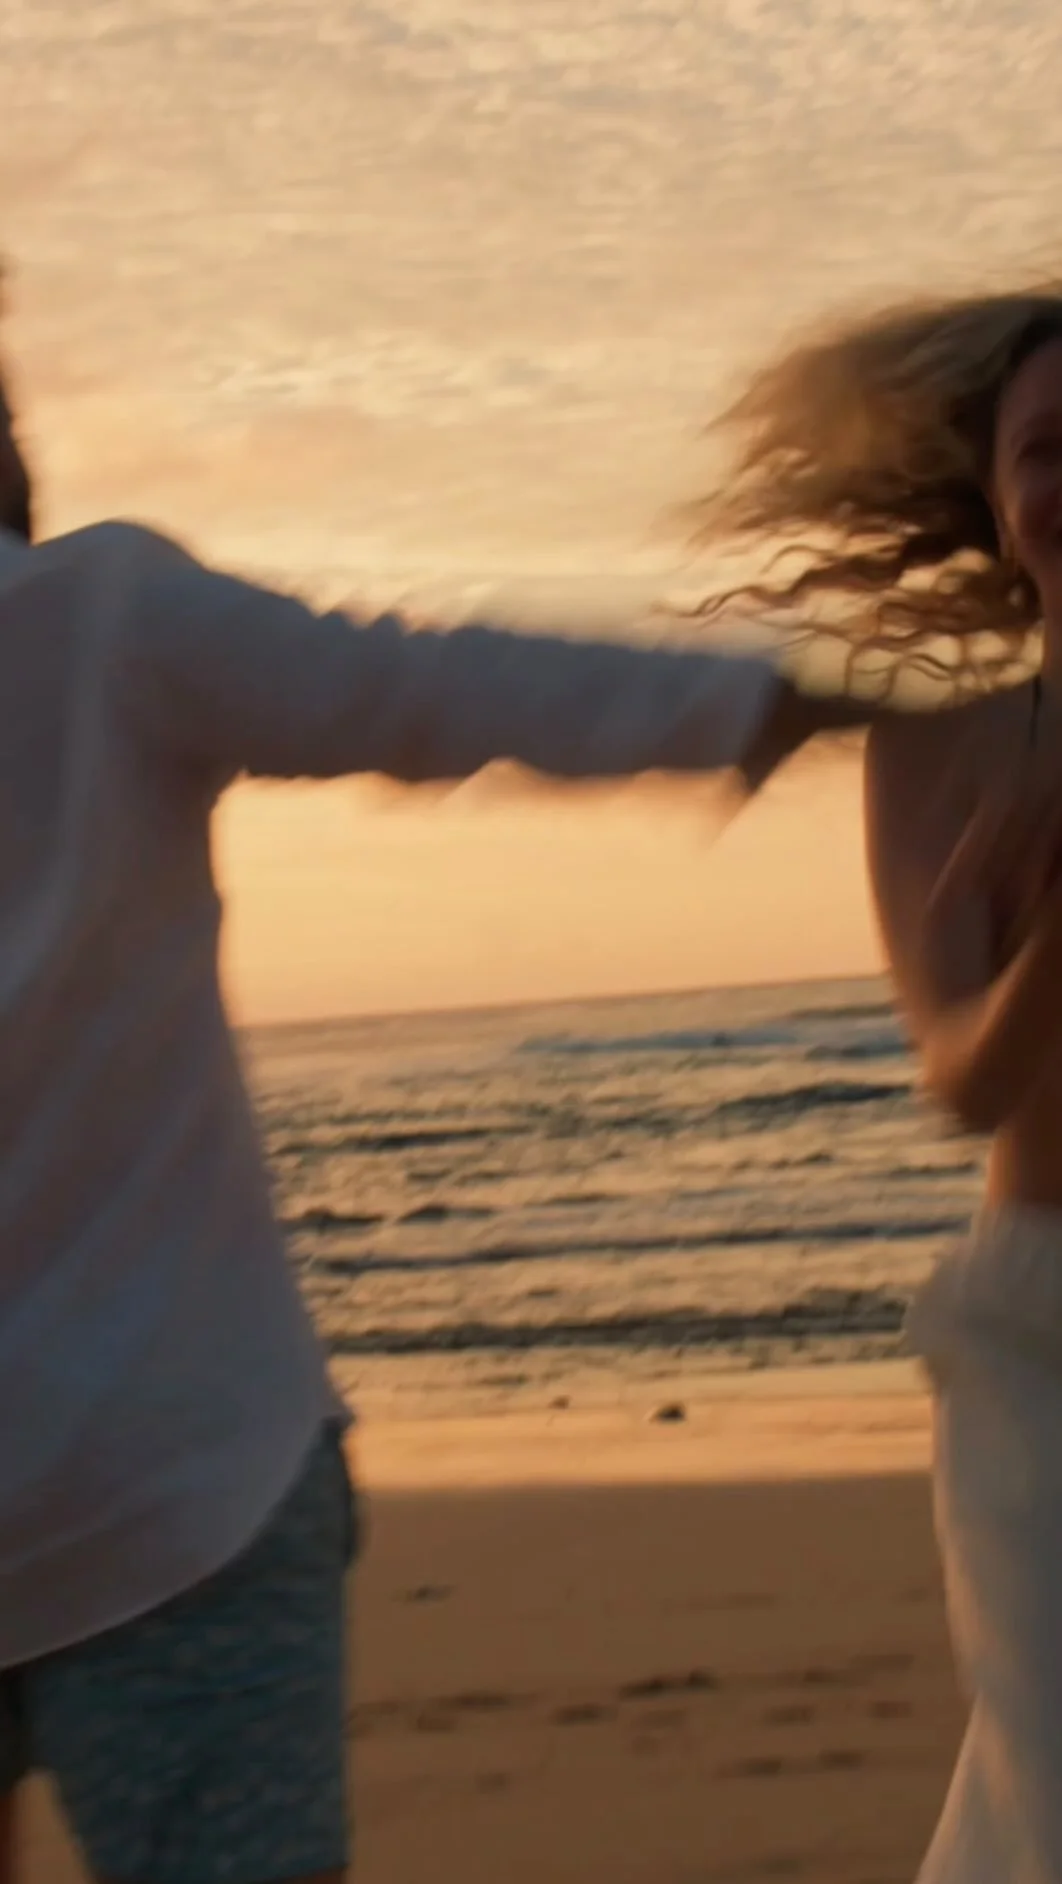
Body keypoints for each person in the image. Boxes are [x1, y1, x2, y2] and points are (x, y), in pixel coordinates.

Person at [0, 295, 913, 1884]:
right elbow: (439, 689)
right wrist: (840, 692)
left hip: (174, 1488)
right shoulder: (99, 622)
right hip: (177, 1488)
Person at [694, 283, 1062, 1883]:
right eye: (1044, 449)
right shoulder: (943, 748)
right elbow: (959, 1079)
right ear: (993, 500)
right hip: (1042, 1339)